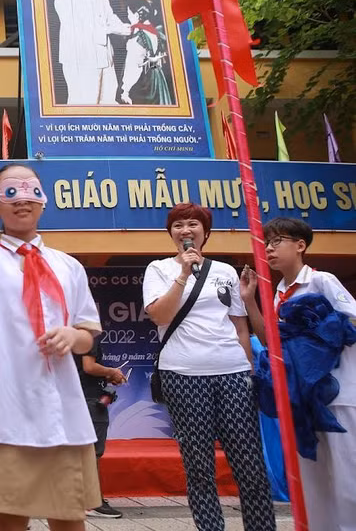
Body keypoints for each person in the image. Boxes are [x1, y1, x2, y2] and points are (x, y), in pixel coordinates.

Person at [0, 164, 102, 531]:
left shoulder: (68, 265)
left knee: (69, 519)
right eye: (10, 192)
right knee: (9, 520)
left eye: (31, 190)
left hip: (63, 411)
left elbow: (87, 332)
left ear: (44, 200)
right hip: (9, 411)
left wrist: (71, 335)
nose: (23, 199)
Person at [142, 202, 275, 531]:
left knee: (249, 463)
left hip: (231, 372)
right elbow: (160, 315)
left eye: (192, 224)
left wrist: (248, 370)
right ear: (171, 233)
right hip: (183, 375)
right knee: (199, 465)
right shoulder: (158, 269)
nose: (185, 231)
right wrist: (184, 274)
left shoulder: (225, 272)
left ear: (206, 232)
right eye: (178, 225)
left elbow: (239, 326)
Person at [240, 217, 356, 529]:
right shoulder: (278, 292)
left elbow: (353, 322)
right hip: (302, 401)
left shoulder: (322, 281)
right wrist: (250, 300)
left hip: (339, 394)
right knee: (313, 483)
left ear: (300, 245)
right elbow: (270, 342)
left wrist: (319, 334)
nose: (269, 249)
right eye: (266, 243)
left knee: (348, 481)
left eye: (277, 241)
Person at [52, 0, 131, 105]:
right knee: (85, 103)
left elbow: (109, 17)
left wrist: (122, 27)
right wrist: (110, 29)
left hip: (104, 57)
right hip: (81, 60)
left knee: (108, 100)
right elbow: (77, 29)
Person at [72, 335, 125, 519]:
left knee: (80, 451)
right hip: (90, 402)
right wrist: (112, 372)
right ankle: (93, 501)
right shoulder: (88, 333)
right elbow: (89, 366)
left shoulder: (69, 332)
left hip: (78, 397)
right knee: (92, 452)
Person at [119, 0, 170, 106]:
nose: (128, 17)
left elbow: (133, 67)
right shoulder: (154, 32)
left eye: (129, 13)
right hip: (157, 78)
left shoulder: (138, 39)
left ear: (136, 16)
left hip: (144, 83)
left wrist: (125, 90)